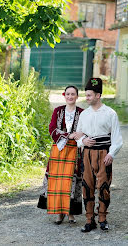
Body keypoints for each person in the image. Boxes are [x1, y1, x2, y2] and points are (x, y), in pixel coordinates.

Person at [75, 77, 123, 232]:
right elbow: (78, 136)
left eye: (89, 95)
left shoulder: (110, 113)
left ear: (98, 95)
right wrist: (83, 141)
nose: (86, 98)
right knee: (87, 186)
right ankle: (90, 220)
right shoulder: (84, 114)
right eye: (86, 94)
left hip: (103, 154)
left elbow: (116, 138)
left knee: (103, 186)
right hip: (87, 155)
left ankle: (102, 218)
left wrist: (112, 154)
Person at [37, 85, 84, 224]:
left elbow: (86, 129)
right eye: (68, 94)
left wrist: (79, 135)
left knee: (71, 180)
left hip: (75, 150)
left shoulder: (82, 112)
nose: (70, 96)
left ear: (77, 96)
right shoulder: (58, 111)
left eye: (73, 94)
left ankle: (70, 213)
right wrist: (68, 136)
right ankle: (58, 212)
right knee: (58, 182)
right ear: (64, 95)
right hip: (59, 149)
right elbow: (52, 128)